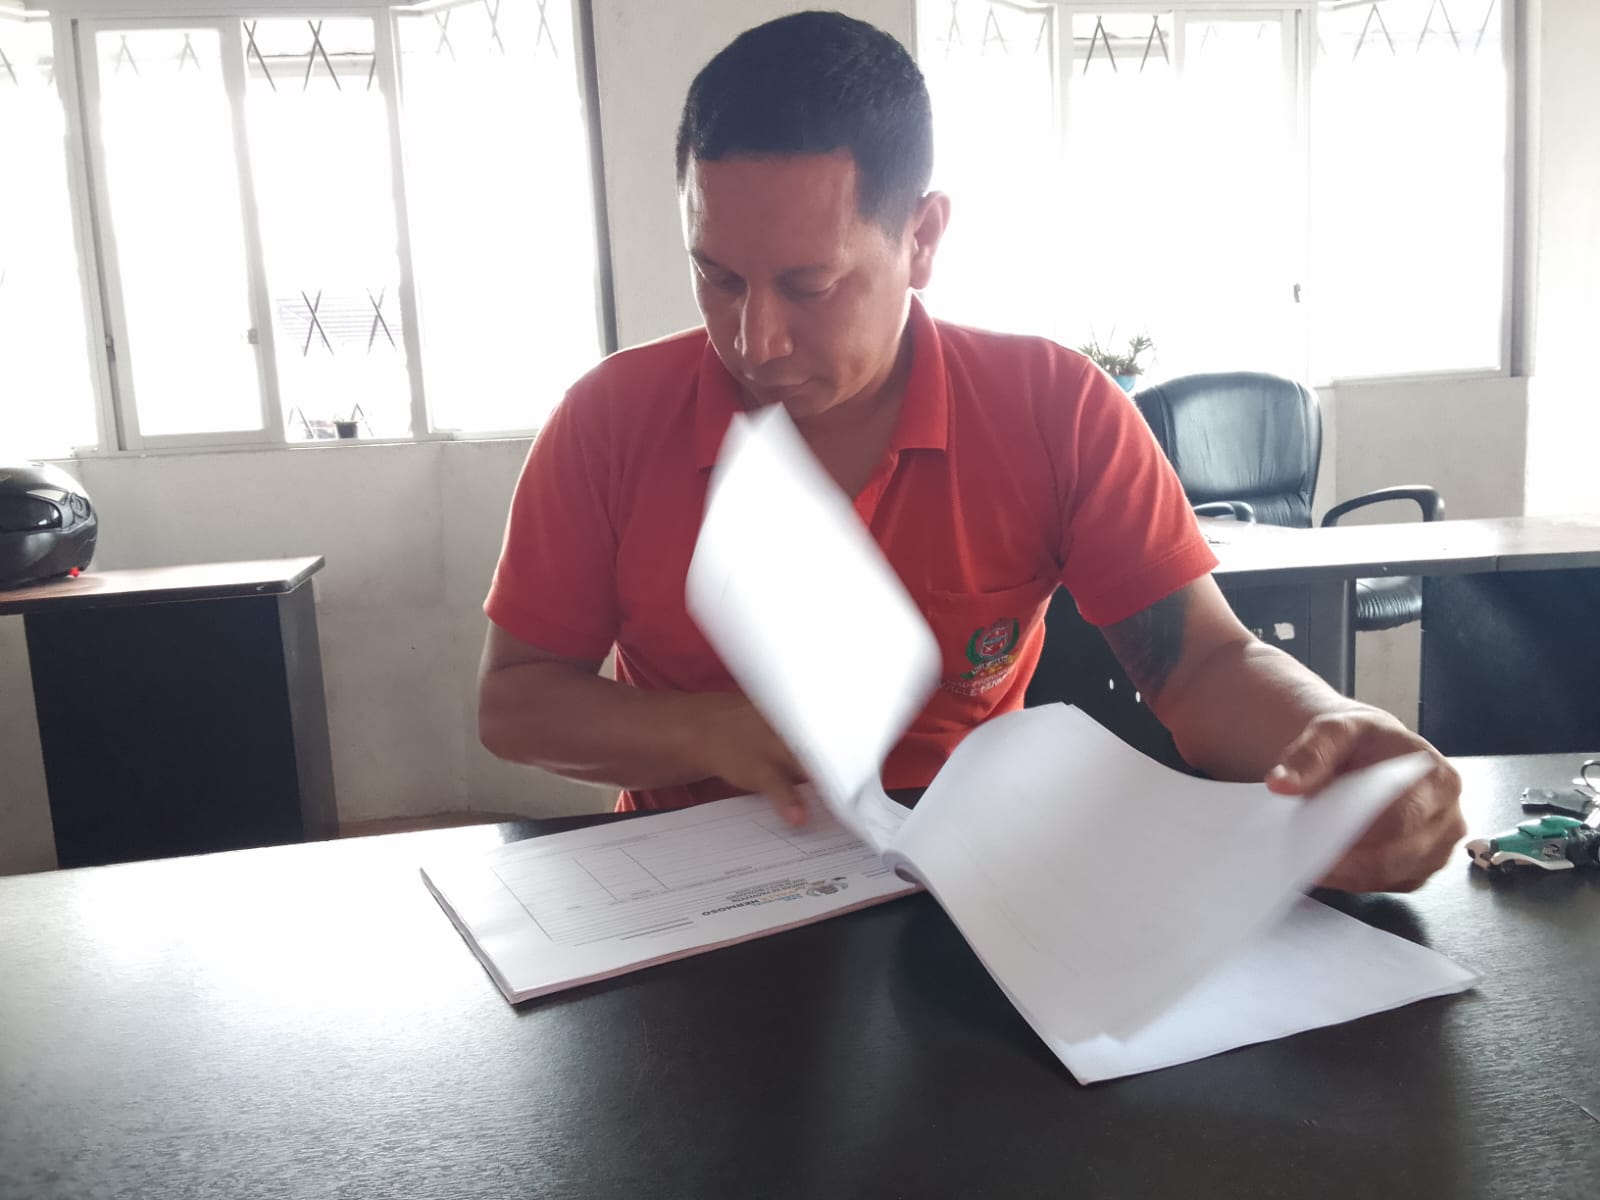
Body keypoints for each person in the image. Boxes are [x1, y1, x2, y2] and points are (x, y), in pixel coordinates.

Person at [478, 10, 1463, 894]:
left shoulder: (1051, 409)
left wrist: (1331, 741)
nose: (755, 339)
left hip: (961, 883)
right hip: (681, 891)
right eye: (718, 278)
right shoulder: (610, 422)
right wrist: (707, 729)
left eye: (810, 286)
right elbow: (516, 702)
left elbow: (1201, 664)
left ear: (922, 237)